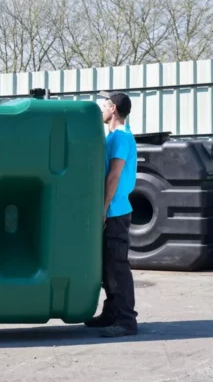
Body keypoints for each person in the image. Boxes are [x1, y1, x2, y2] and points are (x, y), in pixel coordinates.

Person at [85, 90, 138, 338]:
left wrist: (103, 208)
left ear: (114, 108)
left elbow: (114, 175)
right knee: (107, 266)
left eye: (105, 105)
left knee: (117, 267)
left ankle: (127, 321)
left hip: (115, 211)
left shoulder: (120, 138)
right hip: (112, 210)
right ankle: (111, 313)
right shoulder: (113, 137)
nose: (102, 110)